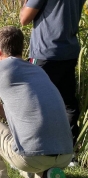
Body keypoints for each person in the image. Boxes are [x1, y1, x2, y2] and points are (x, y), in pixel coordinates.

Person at [0, 26, 73, 178]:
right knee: (27, 152)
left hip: (31, 156)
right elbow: (24, 108)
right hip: (65, 154)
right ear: (21, 49)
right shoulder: (38, 70)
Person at [20, 0, 86, 166]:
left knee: (33, 103)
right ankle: (67, 154)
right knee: (68, 104)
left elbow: (24, 18)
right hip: (69, 52)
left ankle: (34, 153)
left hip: (45, 53)